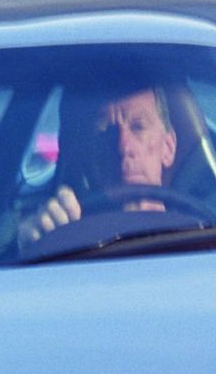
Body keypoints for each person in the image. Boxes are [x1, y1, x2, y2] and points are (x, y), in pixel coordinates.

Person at [11, 80, 199, 252]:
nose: (123, 146)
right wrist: (31, 248)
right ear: (88, 153)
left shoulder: (211, 233)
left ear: (168, 147)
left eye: (138, 127)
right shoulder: (65, 236)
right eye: (105, 131)